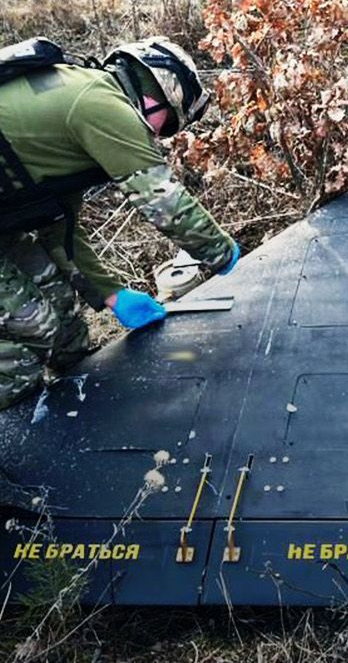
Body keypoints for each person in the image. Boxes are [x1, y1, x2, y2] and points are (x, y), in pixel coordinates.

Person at [0, 37, 240, 410]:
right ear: (156, 92)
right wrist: (222, 253)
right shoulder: (101, 104)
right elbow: (162, 201)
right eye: (169, 124)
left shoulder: (79, 99)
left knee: (65, 319)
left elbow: (59, 228)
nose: (161, 136)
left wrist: (110, 293)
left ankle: (71, 406)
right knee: (34, 324)